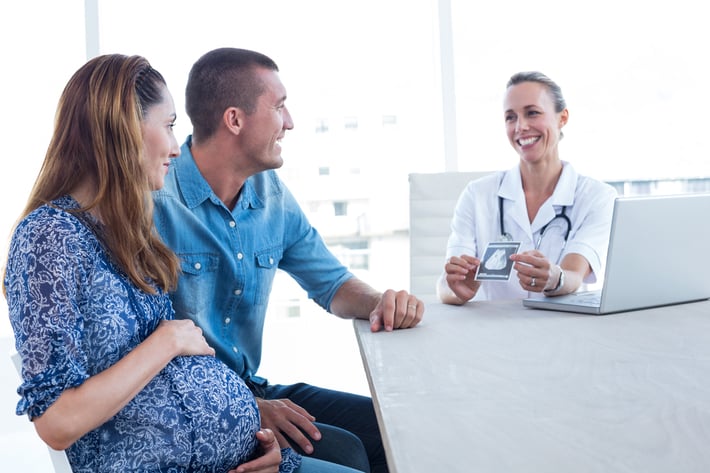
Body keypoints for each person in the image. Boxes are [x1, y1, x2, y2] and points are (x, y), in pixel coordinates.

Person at [3, 53, 309, 473]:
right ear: (125, 129)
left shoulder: (127, 230)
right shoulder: (48, 237)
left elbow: (175, 380)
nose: (174, 149)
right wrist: (167, 341)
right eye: (168, 127)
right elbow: (58, 422)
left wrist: (257, 443)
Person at [152, 47, 424, 473]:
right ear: (235, 119)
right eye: (279, 107)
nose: (290, 121)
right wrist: (247, 407)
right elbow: (143, 356)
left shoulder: (270, 194)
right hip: (196, 406)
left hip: (253, 386)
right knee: (351, 453)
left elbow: (331, 284)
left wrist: (380, 302)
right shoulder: (155, 202)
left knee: (394, 426)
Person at [438, 71, 617, 304]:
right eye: (510, 117)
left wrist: (555, 278)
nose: (520, 126)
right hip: (490, 331)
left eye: (532, 113)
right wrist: (457, 290)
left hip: (562, 331)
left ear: (562, 118)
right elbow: (445, 285)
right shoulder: (477, 195)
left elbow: (574, 273)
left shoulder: (597, 197)